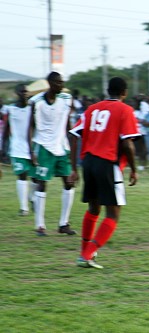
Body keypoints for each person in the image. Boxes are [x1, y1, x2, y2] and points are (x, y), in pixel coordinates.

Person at [69, 77, 140, 269]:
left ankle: (85, 253)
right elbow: (127, 143)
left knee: (94, 208)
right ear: (124, 92)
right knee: (113, 213)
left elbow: (74, 134)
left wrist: (74, 168)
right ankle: (87, 254)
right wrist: (134, 169)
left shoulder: (92, 109)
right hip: (108, 163)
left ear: (108, 91)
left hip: (89, 162)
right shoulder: (125, 110)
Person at [28, 72, 76, 236]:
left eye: (62, 82)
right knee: (42, 184)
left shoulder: (66, 99)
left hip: (62, 146)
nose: (61, 85)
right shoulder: (37, 102)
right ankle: (40, 225)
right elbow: (30, 127)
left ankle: (64, 224)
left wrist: (72, 139)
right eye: (57, 82)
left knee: (69, 183)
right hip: (44, 147)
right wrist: (31, 151)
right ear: (49, 83)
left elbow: (68, 122)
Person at [2, 84, 38, 216]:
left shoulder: (32, 108)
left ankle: (32, 198)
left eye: (27, 92)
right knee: (22, 175)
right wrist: (2, 148)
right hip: (17, 148)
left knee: (35, 178)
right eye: (22, 92)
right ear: (17, 93)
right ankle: (24, 208)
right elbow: (6, 130)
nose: (25, 94)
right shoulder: (11, 109)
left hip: (33, 147)